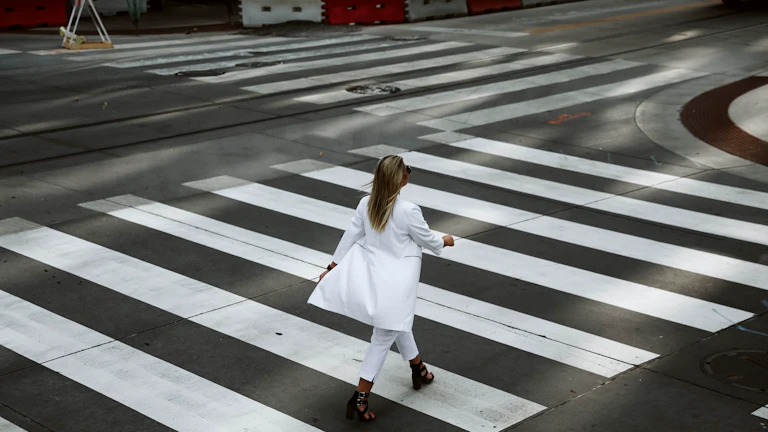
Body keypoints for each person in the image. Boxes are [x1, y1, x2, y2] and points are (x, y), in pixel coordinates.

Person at [308, 155, 455, 423]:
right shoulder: (409, 210)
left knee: (398, 324)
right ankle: (360, 397)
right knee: (383, 337)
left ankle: (418, 368)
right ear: (400, 179)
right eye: (406, 170)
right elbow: (427, 239)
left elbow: (348, 238)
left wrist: (331, 268)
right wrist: (446, 240)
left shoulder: (366, 204)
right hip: (396, 285)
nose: (409, 173)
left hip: (375, 280)